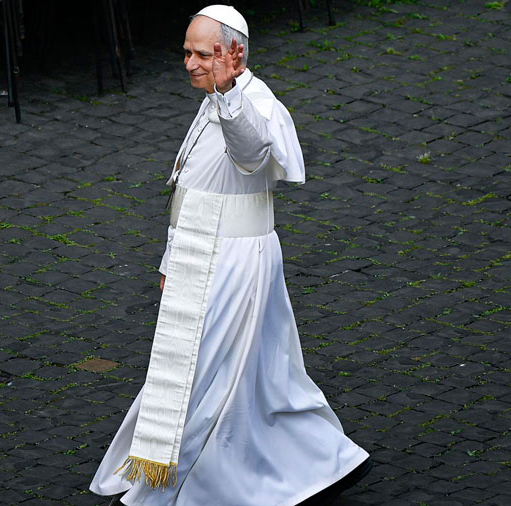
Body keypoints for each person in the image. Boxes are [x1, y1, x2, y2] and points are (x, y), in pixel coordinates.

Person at [89, 5, 371, 506]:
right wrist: (169, 263)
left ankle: (177, 484)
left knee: (206, 374)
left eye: (202, 54)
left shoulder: (252, 104)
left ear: (234, 56)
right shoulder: (212, 99)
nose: (190, 63)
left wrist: (227, 92)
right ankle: (323, 456)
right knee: (264, 375)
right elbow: (191, 193)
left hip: (234, 263)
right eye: (187, 52)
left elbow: (251, 152)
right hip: (201, 251)